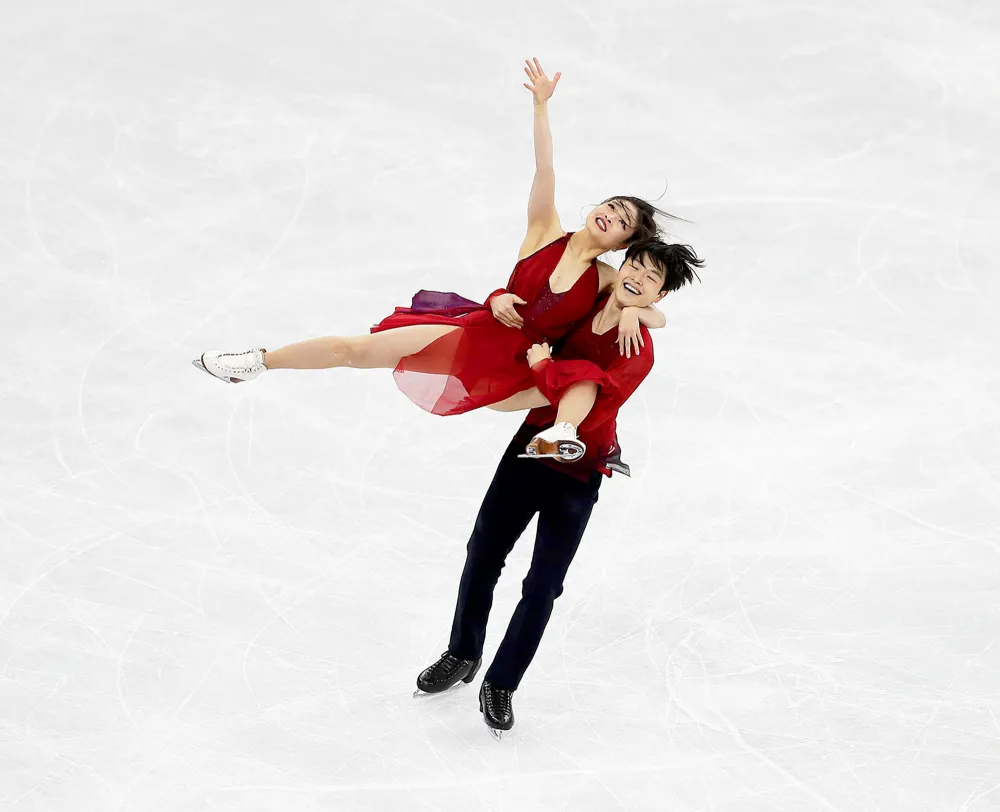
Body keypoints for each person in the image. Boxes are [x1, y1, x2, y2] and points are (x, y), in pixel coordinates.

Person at [193, 59, 678, 430]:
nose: (609, 214)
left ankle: (586, 442)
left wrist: (638, 312)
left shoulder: (609, 278)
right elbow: (544, 169)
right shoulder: (545, 231)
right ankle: (258, 361)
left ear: (625, 241)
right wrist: (540, 106)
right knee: (354, 350)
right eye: (611, 205)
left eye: (622, 221)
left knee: (576, 385)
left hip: (519, 369)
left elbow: (652, 306)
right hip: (476, 332)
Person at [413, 239, 705, 737]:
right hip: (532, 446)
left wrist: (545, 368)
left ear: (660, 293)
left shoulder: (639, 349)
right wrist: (500, 296)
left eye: (651, 278)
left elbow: (596, 393)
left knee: (543, 585)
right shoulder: (589, 304)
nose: (636, 276)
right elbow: (540, 308)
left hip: (580, 466)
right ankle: (462, 653)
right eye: (634, 264)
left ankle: (502, 683)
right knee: (483, 552)